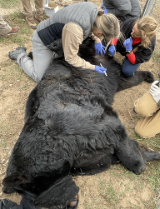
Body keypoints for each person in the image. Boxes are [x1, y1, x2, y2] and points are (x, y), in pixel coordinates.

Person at [8, 2, 120, 83]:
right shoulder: (75, 28)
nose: (99, 38)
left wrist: (97, 41)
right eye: (102, 37)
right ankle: (20, 55)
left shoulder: (94, 10)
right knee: (39, 76)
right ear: (100, 32)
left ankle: (38, 54)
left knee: (60, 58)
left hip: (59, 36)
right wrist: (93, 67)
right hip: (43, 39)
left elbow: (90, 27)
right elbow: (71, 58)